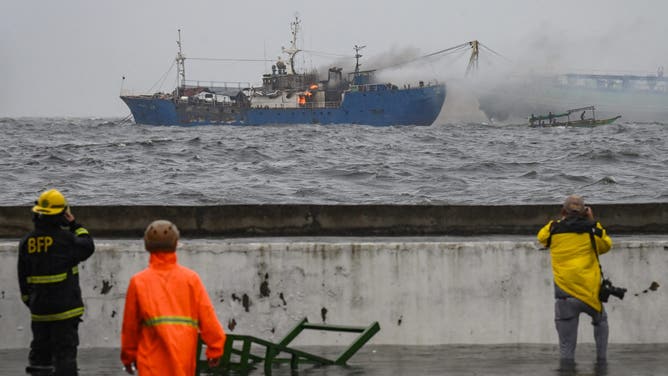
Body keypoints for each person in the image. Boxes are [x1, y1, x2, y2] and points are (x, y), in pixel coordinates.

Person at [121, 220, 226, 375]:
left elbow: (130, 327)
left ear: (147, 245)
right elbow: (207, 318)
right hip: (182, 361)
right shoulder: (191, 279)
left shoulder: (139, 282)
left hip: (150, 365)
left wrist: (128, 357)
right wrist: (215, 349)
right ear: (176, 244)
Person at [18, 189, 95, 376]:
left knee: (39, 357)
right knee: (65, 358)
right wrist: (75, 224)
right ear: (61, 215)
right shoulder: (66, 240)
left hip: (39, 311)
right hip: (66, 312)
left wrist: (32, 301)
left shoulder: (27, 242)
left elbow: (23, 277)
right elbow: (87, 245)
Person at [537, 195, 613, 363]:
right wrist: (592, 221)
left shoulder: (553, 229)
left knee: (566, 349)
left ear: (563, 211)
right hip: (590, 294)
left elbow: (541, 238)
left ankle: (567, 369)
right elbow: (606, 245)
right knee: (601, 321)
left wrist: (561, 219)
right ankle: (601, 361)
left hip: (565, 296)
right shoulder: (592, 229)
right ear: (585, 212)